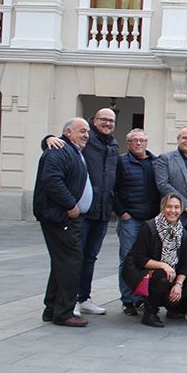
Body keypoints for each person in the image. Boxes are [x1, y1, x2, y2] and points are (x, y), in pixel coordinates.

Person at [44, 108, 119, 317]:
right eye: (103, 119)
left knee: (89, 258)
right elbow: (61, 145)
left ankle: (83, 297)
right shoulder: (82, 140)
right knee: (72, 258)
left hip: (102, 211)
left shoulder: (113, 145)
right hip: (81, 214)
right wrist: (48, 139)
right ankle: (68, 301)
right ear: (94, 121)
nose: (107, 123)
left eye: (111, 121)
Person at [33, 117, 91, 327]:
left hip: (68, 217)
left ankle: (52, 308)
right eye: (81, 131)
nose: (86, 134)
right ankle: (64, 312)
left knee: (62, 263)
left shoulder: (73, 150)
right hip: (61, 217)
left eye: (87, 131)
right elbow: (51, 180)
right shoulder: (58, 149)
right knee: (70, 263)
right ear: (67, 132)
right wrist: (70, 205)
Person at [121, 194, 187, 328]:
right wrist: (164, 265)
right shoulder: (150, 227)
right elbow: (139, 258)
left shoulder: (182, 233)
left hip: (169, 274)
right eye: (169, 206)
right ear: (163, 208)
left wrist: (178, 285)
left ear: (181, 210)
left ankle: (170, 307)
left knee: (182, 296)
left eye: (176, 207)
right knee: (162, 276)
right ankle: (149, 313)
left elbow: (185, 264)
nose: (172, 211)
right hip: (142, 272)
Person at [114, 128, 159, 317]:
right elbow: (113, 189)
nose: (138, 143)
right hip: (130, 218)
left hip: (149, 220)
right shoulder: (121, 162)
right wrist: (122, 213)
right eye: (134, 140)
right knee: (127, 258)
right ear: (128, 143)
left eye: (142, 140)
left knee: (145, 260)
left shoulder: (155, 162)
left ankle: (140, 295)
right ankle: (128, 300)